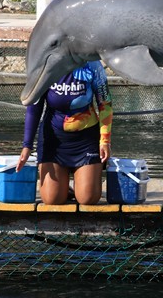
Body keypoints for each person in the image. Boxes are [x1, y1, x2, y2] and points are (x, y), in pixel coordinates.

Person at [16, 60, 112, 205]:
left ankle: (81, 183)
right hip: (54, 140)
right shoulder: (43, 64)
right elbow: (34, 108)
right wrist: (27, 146)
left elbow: (105, 104)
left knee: (88, 198)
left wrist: (105, 141)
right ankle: (63, 186)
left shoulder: (93, 64)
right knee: (52, 199)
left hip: (85, 140)